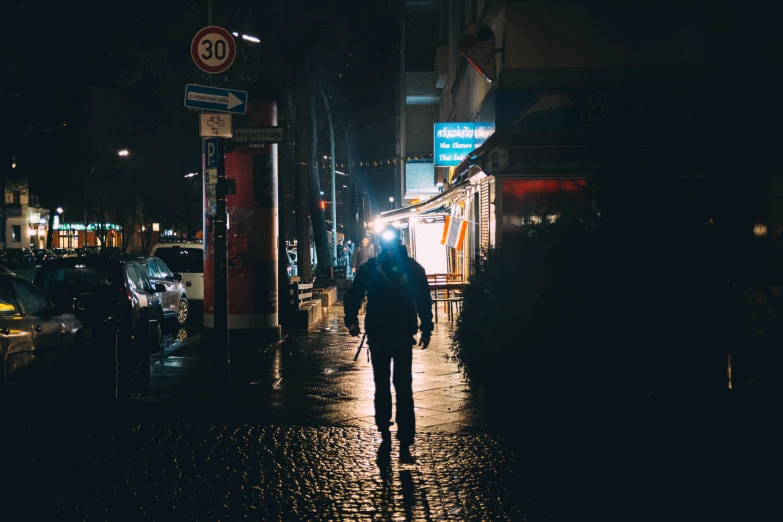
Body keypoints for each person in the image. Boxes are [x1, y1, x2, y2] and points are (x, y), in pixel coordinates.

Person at [344, 226, 433, 463]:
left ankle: (398, 434)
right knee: (392, 384)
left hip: (392, 333)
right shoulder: (407, 267)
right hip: (386, 333)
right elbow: (423, 298)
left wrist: (427, 327)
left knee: (396, 385)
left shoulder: (375, 267)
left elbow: (424, 297)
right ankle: (391, 431)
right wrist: (426, 327)